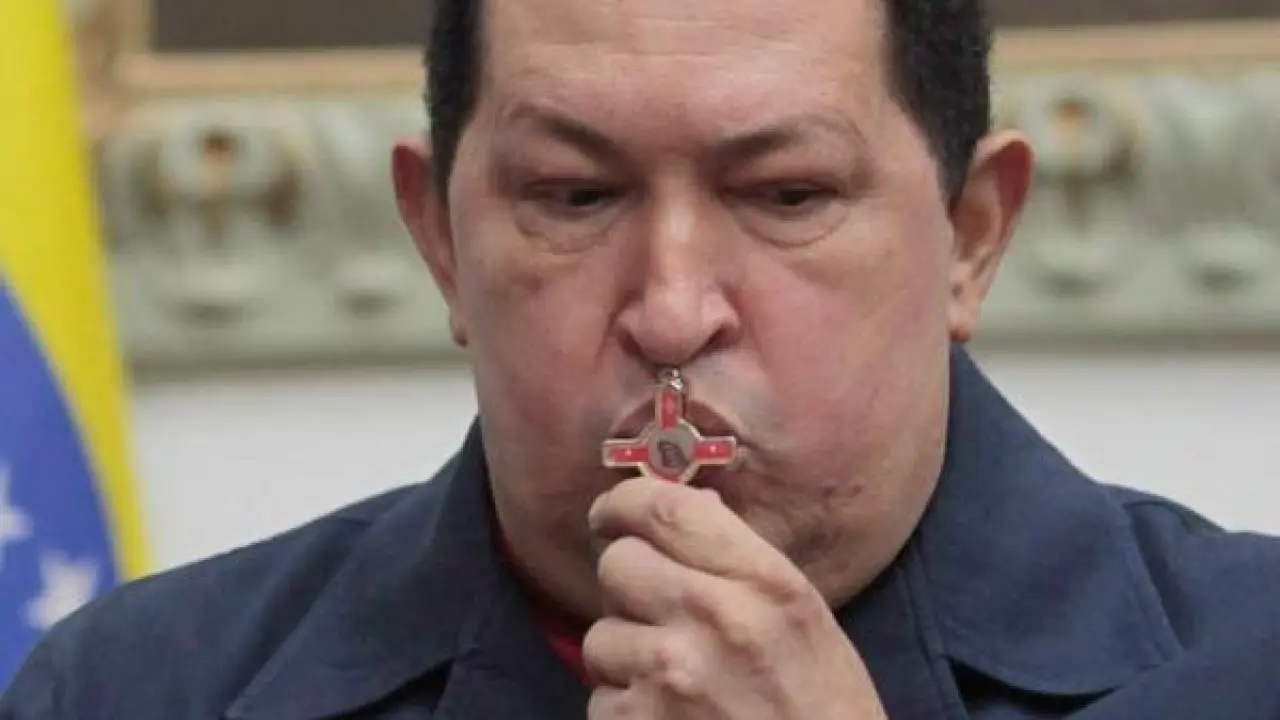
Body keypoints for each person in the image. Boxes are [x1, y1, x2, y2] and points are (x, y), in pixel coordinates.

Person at [5, 0, 1280, 717]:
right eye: (573, 196)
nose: (670, 316)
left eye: (785, 196)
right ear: (439, 240)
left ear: (970, 235)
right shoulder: (134, 690)